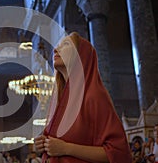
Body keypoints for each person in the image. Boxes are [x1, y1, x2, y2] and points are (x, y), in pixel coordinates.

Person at [34, 32, 132, 162]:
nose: (56, 49)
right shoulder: (59, 99)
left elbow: (118, 152)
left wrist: (66, 148)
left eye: (66, 44)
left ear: (81, 56)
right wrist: (42, 144)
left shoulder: (94, 96)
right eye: (57, 45)